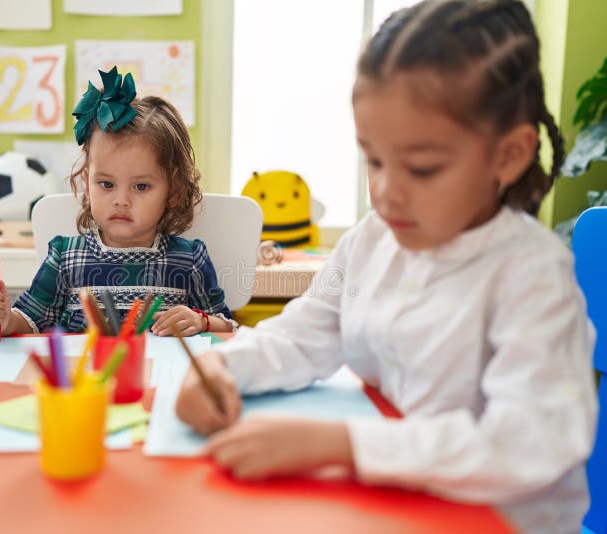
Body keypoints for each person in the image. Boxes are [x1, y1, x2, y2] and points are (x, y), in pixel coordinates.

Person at [174, 1, 596, 532]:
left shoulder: (534, 275)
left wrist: (340, 445)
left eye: (421, 168)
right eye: (373, 160)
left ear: (508, 155)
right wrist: (221, 368)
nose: (386, 192)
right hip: (394, 507)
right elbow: (303, 336)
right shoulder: (373, 240)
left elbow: (529, 440)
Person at [0, 67, 236, 337]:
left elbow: (227, 326)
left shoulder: (189, 260)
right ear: (87, 183)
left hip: (160, 380)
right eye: (106, 184)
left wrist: (201, 321)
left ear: (173, 192)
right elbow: (29, 320)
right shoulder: (65, 258)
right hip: (84, 379)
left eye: (141, 186)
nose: (121, 201)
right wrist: (4, 318)